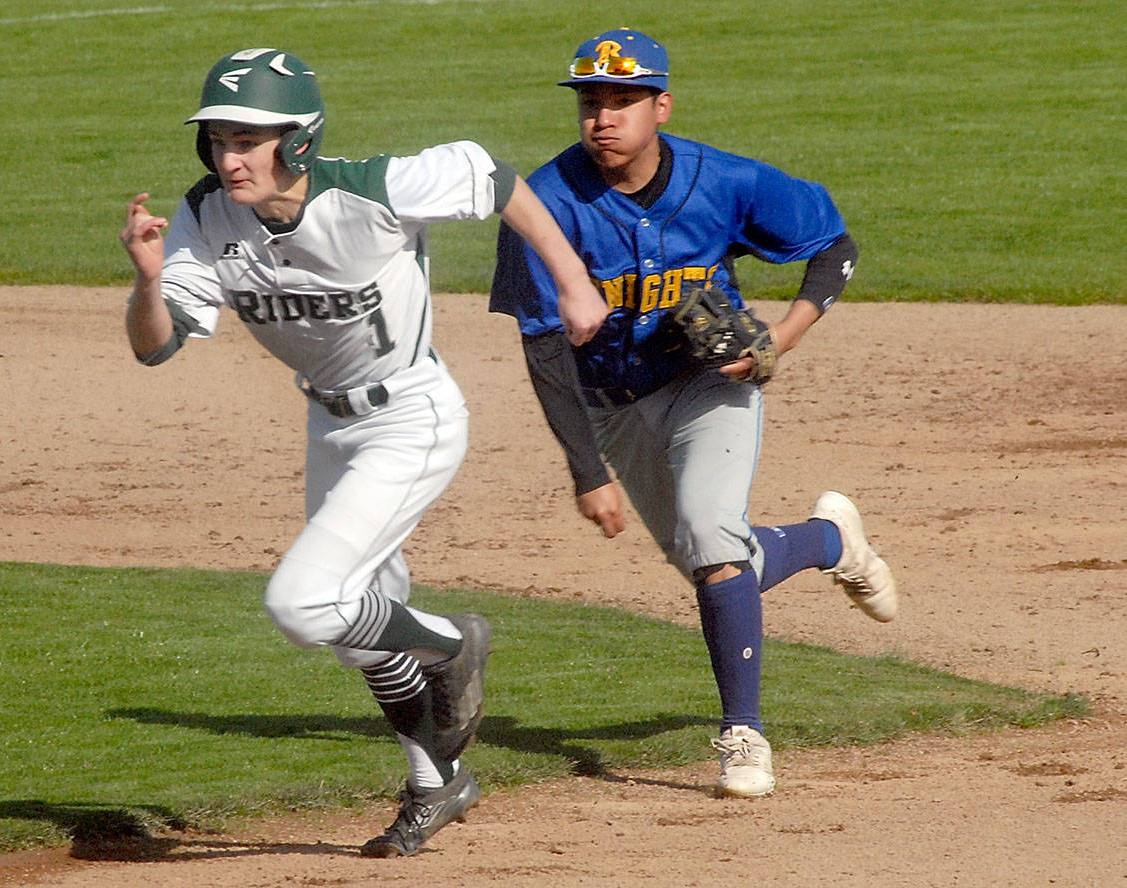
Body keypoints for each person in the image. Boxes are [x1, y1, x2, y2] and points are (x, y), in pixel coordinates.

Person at [120, 47, 607, 855]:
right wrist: (145, 281)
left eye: (249, 139)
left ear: (299, 140)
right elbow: (155, 348)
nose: (229, 157)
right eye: (218, 140)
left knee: (302, 604)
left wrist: (572, 279)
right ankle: (437, 782)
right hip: (329, 427)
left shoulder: (373, 188)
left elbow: (494, 177)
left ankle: (456, 644)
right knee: (355, 630)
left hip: (411, 418)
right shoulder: (208, 215)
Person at [489, 28, 897, 798]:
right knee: (713, 567)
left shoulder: (725, 181)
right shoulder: (544, 205)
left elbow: (833, 244)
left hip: (707, 388)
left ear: (661, 106)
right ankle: (828, 539)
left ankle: (743, 735)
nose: (602, 117)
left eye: (622, 100)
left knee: (713, 544)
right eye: (590, 101)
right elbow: (544, 350)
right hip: (610, 405)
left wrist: (782, 334)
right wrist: (589, 470)